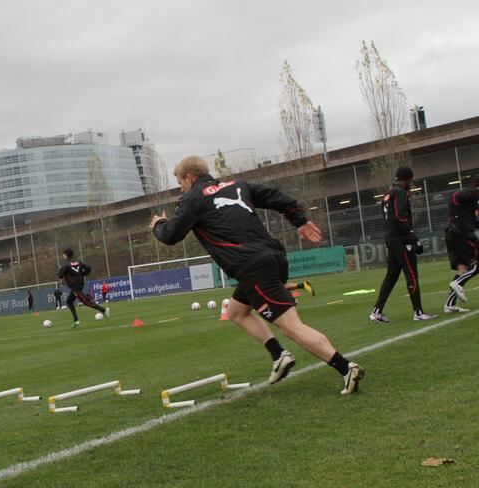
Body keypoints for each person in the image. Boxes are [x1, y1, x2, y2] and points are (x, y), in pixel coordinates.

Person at [150, 156, 363, 395]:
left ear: (189, 176)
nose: (181, 188)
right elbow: (278, 197)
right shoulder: (237, 185)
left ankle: (346, 368)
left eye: (181, 182)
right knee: (237, 312)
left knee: (292, 327)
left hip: (252, 267)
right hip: (272, 257)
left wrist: (159, 224)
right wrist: (300, 221)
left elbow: (170, 235)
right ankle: (278, 354)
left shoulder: (192, 198)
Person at [368, 166, 438, 322]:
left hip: (390, 237)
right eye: (411, 179)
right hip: (401, 238)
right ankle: (418, 312)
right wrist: (413, 237)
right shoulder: (401, 192)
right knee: (411, 273)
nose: (412, 182)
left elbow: (389, 216)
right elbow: (400, 216)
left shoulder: (387, 194)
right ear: (408, 179)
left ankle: (376, 311)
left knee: (391, 276)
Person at [442, 175, 479, 313]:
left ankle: (450, 305)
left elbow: (470, 221)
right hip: (461, 235)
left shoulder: (471, 201)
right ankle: (457, 283)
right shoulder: (471, 193)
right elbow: (455, 196)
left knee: (463, 268)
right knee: (476, 264)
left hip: (453, 234)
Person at [57, 249, 108, 328]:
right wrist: (82, 275)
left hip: (75, 286)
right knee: (69, 301)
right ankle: (76, 320)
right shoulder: (78, 262)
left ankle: (103, 310)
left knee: (85, 302)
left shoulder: (65, 265)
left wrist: (61, 270)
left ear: (66, 255)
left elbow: (60, 276)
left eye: (63, 254)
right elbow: (88, 268)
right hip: (80, 284)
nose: (63, 256)